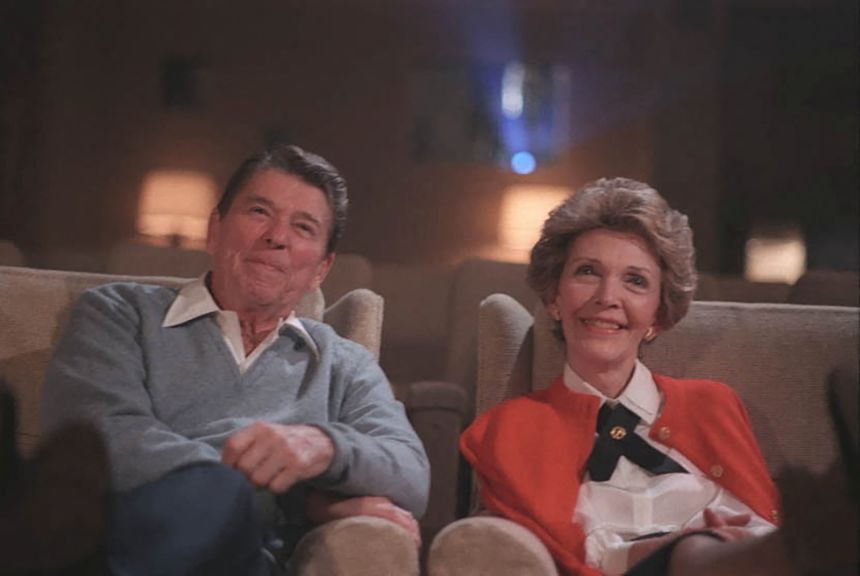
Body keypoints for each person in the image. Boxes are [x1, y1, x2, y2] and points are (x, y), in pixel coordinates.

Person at [41, 144, 429, 575]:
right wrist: (297, 501)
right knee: (209, 496)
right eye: (260, 212)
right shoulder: (120, 313)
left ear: (321, 269)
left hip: (249, 562)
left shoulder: (342, 364)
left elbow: (410, 474)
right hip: (130, 535)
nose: (277, 236)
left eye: (303, 227)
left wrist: (323, 447)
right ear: (215, 229)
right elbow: (104, 441)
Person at [456, 178, 805, 575]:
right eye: (588, 272)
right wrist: (676, 547)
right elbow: (568, 558)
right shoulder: (508, 427)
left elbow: (767, 523)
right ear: (554, 297)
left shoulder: (714, 404)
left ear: (658, 314)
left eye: (635, 281)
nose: (608, 297)